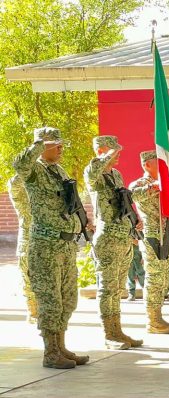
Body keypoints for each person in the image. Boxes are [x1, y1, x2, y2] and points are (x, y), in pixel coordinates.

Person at [13, 127, 89, 368]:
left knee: (68, 299)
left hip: (65, 244)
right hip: (45, 245)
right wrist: (39, 144)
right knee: (50, 301)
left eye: (60, 144)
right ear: (44, 146)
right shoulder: (34, 169)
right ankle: (51, 352)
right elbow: (20, 165)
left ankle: (62, 346)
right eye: (56, 145)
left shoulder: (58, 170)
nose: (61, 148)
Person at [85, 135, 143, 349]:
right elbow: (92, 175)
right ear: (102, 151)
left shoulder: (116, 174)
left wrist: (134, 222)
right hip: (107, 237)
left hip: (123, 237)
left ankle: (118, 330)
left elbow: (124, 202)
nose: (118, 155)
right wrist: (106, 154)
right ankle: (109, 334)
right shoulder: (94, 170)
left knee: (118, 288)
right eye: (113, 151)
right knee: (107, 288)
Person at [130, 150, 169, 334]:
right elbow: (133, 194)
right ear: (146, 165)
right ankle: (152, 320)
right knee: (153, 278)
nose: (163, 167)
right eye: (158, 163)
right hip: (152, 235)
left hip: (165, 233)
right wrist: (156, 186)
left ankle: (158, 316)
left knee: (163, 278)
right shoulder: (140, 184)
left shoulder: (164, 183)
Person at [8, 175, 36, 323]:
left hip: (47, 241)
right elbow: (14, 184)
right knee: (28, 277)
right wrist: (28, 165)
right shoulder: (20, 192)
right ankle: (33, 312)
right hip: (28, 240)